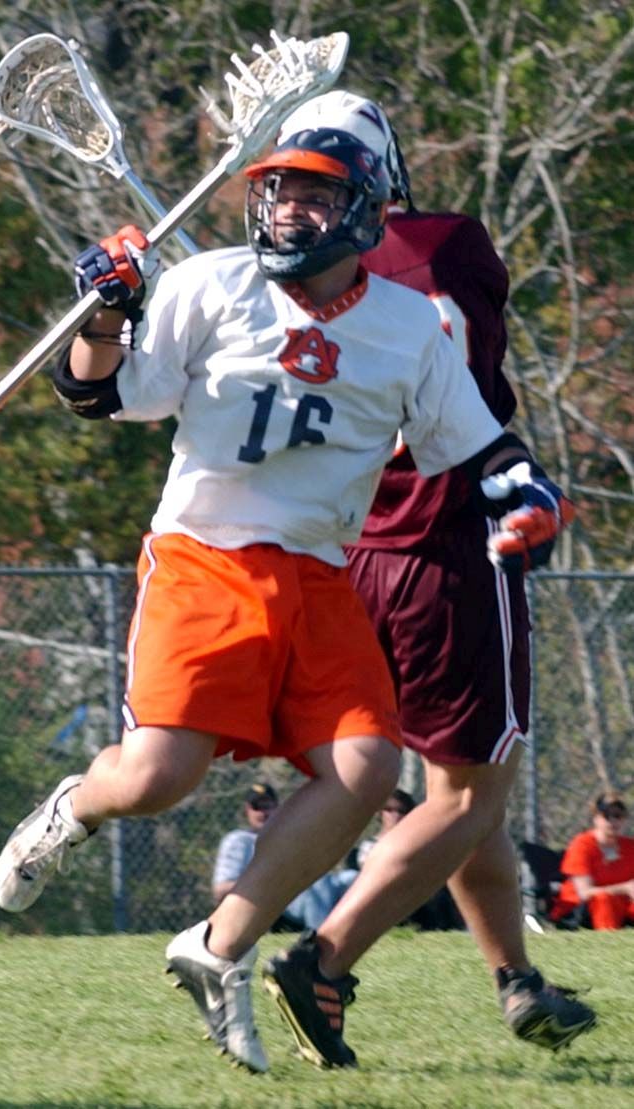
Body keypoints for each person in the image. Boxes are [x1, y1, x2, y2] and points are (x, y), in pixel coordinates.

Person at [0, 90, 574, 1073]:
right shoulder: (209, 283)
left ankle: (217, 947)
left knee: (365, 768)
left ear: (367, 210)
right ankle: (76, 805)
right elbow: (97, 391)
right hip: (203, 557)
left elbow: (479, 446)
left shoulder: (404, 325)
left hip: (319, 572)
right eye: (279, 191)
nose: (290, 210)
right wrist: (108, 310)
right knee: (156, 777)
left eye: (316, 194)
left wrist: (529, 494)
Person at [261, 90, 595, 1068]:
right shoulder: (446, 245)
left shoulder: (279, 283)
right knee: (466, 796)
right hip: (450, 550)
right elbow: (471, 384)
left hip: (344, 556)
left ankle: (514, 975)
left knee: (457, 792)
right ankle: (323, 960)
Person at [213, 782, 358, 930]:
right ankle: (321, 937)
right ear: (248, 810)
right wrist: (268, 882)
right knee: (309, 889)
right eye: (257, 807)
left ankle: (359, 932)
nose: (263, 813)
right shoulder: (239, 840)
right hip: (272, 899)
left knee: (352, 878)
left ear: (277, 808)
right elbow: (221, 890)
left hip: (312, 887)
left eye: (267, 806)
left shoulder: (290, 836)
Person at [353, 790, 463, 932]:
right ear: (380, 813)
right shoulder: (369, 846)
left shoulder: (420, 843)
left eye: (401, 811)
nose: (395, 815)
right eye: (389, 810)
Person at [550, 793, 634, 930]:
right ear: (596, 817)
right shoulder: (582, 845)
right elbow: (585, 892)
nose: (613, 821)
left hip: (621, 905)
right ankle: (607, 940)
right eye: (607, 816)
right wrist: (625, 888)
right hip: (582, 909)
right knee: (604, 899)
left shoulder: (630, 847)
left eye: (618, 816)